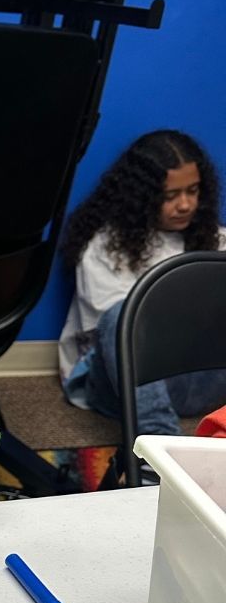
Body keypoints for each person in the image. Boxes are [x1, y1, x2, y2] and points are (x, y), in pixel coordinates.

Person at [58, 129, 226, 435]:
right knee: (123, 316)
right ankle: (157, 449)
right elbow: (114, 336)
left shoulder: (216, 240)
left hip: (197, 381)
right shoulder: (107, 248)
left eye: (193, 191)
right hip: (118, 385)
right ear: (143, 197)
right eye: (171, 195)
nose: (186, 204)